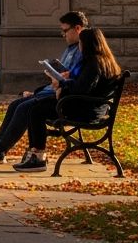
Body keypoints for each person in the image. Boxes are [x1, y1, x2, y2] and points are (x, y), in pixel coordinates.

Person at [0, 10, 89, 165]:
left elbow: (77, 80)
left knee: (25, 108)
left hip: (65, 100)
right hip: (57, 93)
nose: (63, 34)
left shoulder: (83, 51)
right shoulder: (71, 49)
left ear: (78, 28)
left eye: (65, 30)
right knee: (16, 105)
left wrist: (59, 80)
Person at [16, 27, 122, 172]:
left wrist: (61, 86)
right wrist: (66, 81)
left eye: (80, 43)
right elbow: (84, 86)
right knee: (36, 106)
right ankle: (35, 154)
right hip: (88, 106)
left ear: (87, 44)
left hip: (85, 110)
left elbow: (81, 90)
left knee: (36, 109)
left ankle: (37, 157)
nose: (79, 47)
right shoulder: (103, 61)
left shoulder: (94, 64)